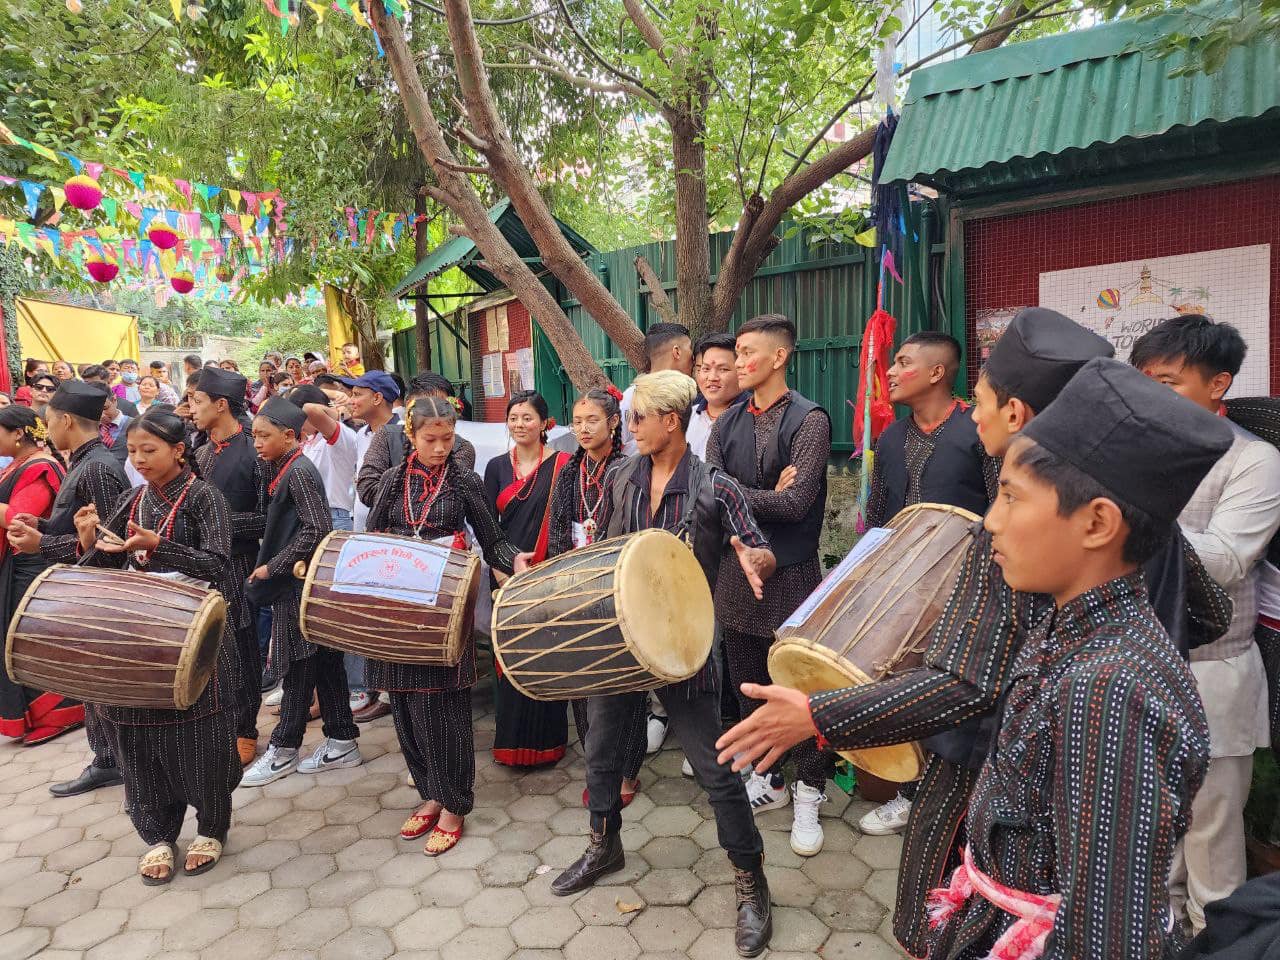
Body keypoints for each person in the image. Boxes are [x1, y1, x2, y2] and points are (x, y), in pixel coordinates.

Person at [713, 308, 1233, 956]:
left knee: (937, 921)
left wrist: (819, 713)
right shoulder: (1128, 523)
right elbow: (1210, 615)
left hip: (989, 769)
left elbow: (965, 680)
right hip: (1028, 774)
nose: (995, 520)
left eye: (981, 400)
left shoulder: (1099, 674)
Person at [923, 358, 1226, 959]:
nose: (992, 520)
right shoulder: (1070, 625)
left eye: (1010, 497)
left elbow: (1108, 938)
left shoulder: (1111, 686)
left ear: (1097, 523)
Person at [553, 370, 777, 958]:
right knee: (600, 750)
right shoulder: (623, 474)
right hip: (622, 640)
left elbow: (760, 546)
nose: (630, 430)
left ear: (671, 421)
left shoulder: (714, 486)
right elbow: (603, 544)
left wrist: (757, 558)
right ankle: (604, 845)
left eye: (639, 420)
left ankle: (752, 882)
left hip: (685, 645)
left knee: (715, 767)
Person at [1130, 315, 1280, 934]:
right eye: (1144, 382)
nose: (1150, 397)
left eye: (1168, 382)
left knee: (1212, 833)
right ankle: (1162, 935)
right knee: (1153, 825)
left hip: (1213, 668)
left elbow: (1224, 558)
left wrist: (1131, 515)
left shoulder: (1254, 460)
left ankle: (1218, 941)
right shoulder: (1137, 446)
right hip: (1140, 659)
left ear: (1218, 384)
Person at [59, 411, 243, 884]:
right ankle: (157, 834)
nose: (139, 460)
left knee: (197, 738)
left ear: (178, 450)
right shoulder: (131, 499)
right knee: (137, 739)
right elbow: (105, 562)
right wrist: (87, 542)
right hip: (139, 636)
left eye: (150, 450)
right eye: (134, 451)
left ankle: (211, 826)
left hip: (194, 636)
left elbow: (222, 569)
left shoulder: (205, 499)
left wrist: (161, 545)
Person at [365, 395, 521, 855]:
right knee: (406, 706)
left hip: (444, 605)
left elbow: (492, 541)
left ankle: (454, 804)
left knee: (444, 709)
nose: (439, 447)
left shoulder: (465, 482)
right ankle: (429, 793)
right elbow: (371, 536)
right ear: (410, 436)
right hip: (399, 604)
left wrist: (517, 562)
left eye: (447, 438)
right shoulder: (392, 481)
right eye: (430, 439)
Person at [703, 314, 834, 855]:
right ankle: (770, 777)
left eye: (746, 351)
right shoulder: (725, 422)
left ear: (779, 357)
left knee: (801, 686)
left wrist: (735, 491)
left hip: (793, 573)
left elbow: (798, 503)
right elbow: (707, 494)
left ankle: (810, 790)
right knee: (750, 682)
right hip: (736, 572)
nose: (736, 361)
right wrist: (749, 493)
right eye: (735, 350)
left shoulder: (810, 420)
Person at [7, 381, 128, 796]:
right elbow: (78, 529)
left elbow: (111, 544)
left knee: (101, 683)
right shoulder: (83, 461)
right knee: (92, 685)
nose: (45, 428)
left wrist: (45, 544)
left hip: (99, 590)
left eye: (47, 420)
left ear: (65, 420)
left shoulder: (96, 467)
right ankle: (108, 758)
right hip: (84, 586)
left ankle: (117, 760)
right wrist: (41, 527)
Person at [240, 396, 359, 787]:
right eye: (254, 435)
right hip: (295, 583)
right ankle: (342, 741)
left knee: (297, 666)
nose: (256, 443)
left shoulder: (300, 472)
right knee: (324, 662)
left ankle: (283, 750)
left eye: (264, 436)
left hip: (299, 585)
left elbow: (317, 527)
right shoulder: (283, 467)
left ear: (289, 436)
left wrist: (271, 566)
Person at [545, 386, 644, 807]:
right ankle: (597, 762)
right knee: (583, 677)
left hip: (620, 586)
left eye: (593, 421)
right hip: (577, 584)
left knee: (624, 680)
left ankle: (627, 768)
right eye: (577, 421)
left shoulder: (632, 467)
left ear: (614, 423)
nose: (583, 429)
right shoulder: (570, 469)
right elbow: (557, 526)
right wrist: (555, 575)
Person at [485, 390, 573, 766]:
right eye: (514, 418)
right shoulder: (494, 467)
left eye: (527, 418)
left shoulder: (564, 465)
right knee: (511, 657)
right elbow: (488, 527)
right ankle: (510, 745)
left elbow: (567, 523)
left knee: (548, 658)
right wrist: (500, 572)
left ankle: (549, 745)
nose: (520, 425)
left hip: (548, 575)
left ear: (544, 423)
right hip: (506, 575)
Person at [191, 367, 267, 767]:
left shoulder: (255, 450)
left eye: (198, 401)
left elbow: (268, 517)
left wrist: (215, 523)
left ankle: (245, 728)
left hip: (240, 564)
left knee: (242, 650)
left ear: (221, 405)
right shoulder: (200, 453)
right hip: (201, 567)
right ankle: (216, 725)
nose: (192, 408)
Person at [0, 407, 73, 744]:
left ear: (19, 433)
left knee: (33, 641)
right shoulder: (18, 464)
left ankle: (59, 713)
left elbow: (19, 518)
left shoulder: (40, 465)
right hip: (18, 565)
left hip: (32, 568)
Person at [339, 369, 402, 722]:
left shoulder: (400, 434)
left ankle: (392, 693)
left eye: (357, 394)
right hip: (363, 534)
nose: (352, 400)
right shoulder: (361, 434)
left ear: (377, 398)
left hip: (392, 542)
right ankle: (378, 686)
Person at [356, 372, 476, 511]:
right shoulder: (386, 436)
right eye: (424, 407)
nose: (433, 412)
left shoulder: (462, 448)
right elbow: (367, 489)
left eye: (440, 407)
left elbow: (452, 495)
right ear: (408, 408)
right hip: (388, 531)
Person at [620, 323, 694, 456]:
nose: (693, 359)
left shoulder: (629, 397)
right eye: (690, 350)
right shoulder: (632, 399)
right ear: (677, 352)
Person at [687, 333, 747, 461]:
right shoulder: (686, 417)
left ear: (741, 371)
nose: (712, 377)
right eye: (706, 368)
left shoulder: (755, 420)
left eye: (723, 369)